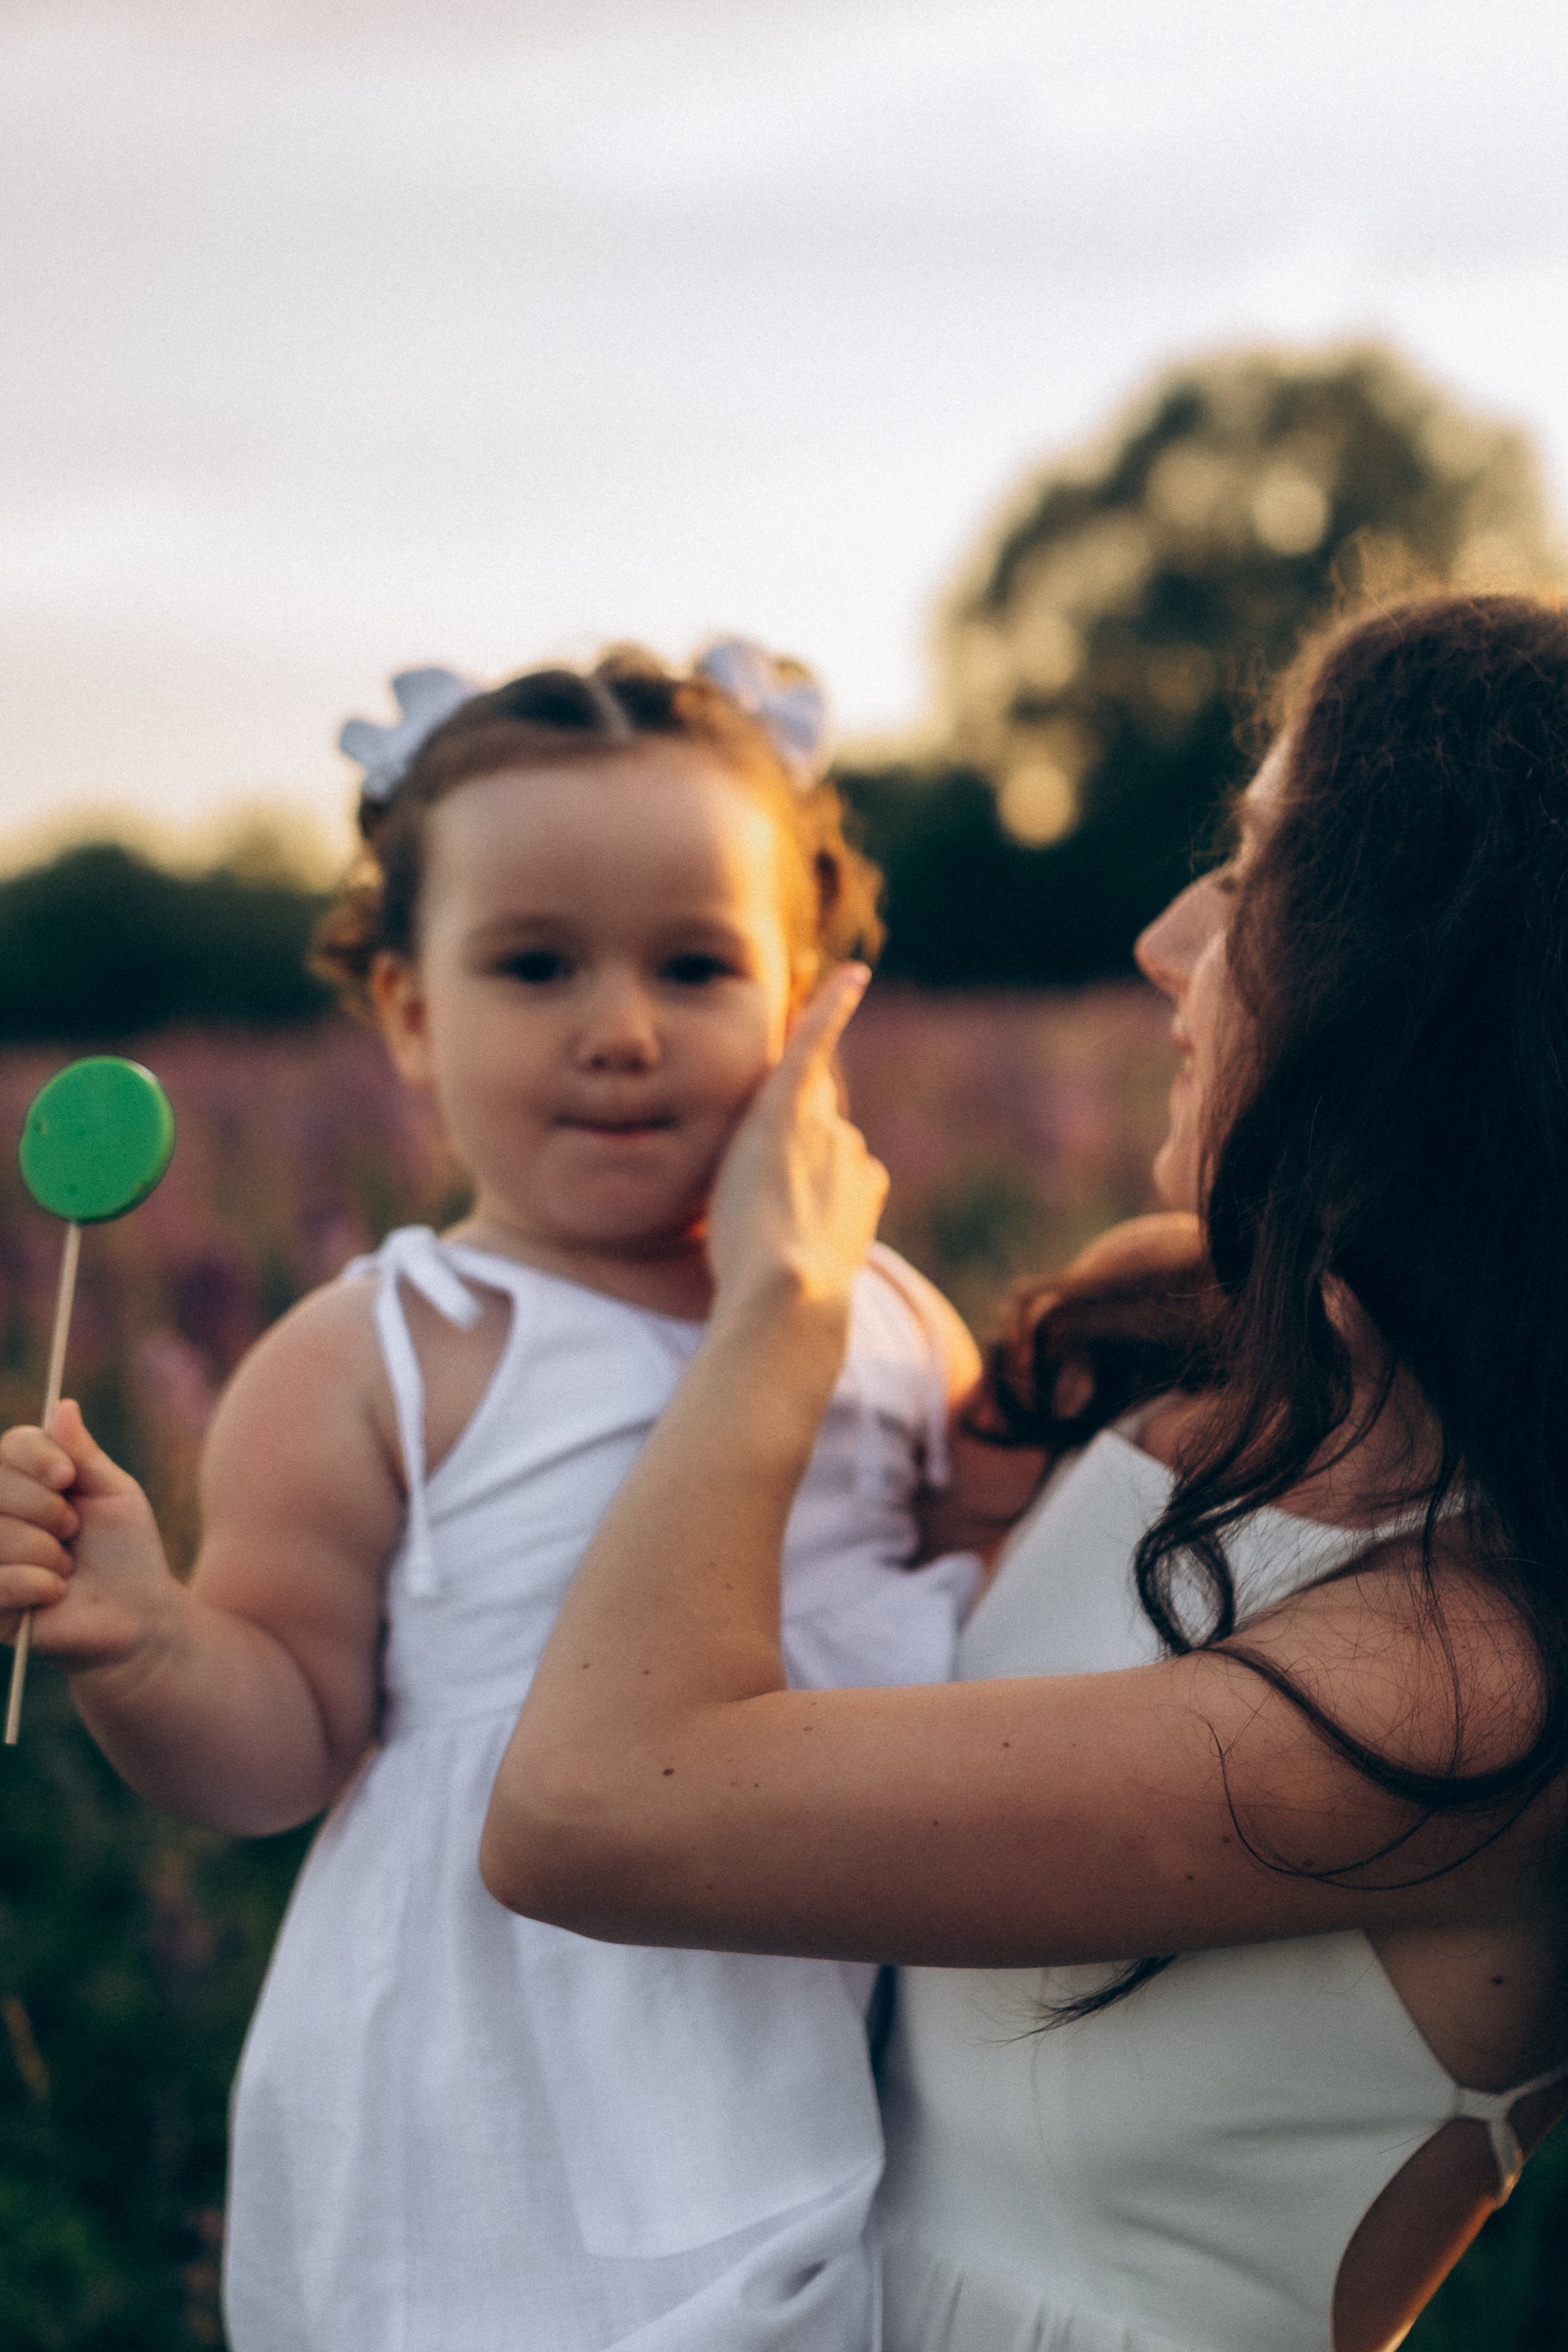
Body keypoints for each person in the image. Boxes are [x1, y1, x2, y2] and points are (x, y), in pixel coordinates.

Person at [481, 594, 1568, 2352]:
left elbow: (593, 1807)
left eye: (1257, 868)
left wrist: (781, 1305)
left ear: (1424, 985)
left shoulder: (1460, 1691)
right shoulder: (1180, 1331)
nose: (1166, 937)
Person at [0, 643, 981, 2352]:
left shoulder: (885, 1317)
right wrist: (148, 1641)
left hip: (858, 2011)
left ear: (813, 992)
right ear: (407, 1008)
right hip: (500, 2086)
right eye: (535, 967)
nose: (620, 1030)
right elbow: (282, 1741)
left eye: (697, 964)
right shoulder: (384, 1350)